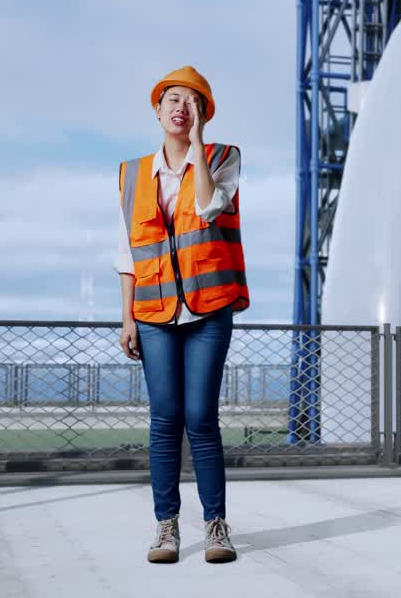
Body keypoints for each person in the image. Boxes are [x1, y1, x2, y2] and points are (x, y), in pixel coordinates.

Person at [114, 65, 250, 564]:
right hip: (154, 312)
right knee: (165, 419)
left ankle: (215, 526)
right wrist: (127, 318)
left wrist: (196, 146)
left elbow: (209, 206)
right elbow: (128, 250)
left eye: (192, 102)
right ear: (157, 109)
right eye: (173, 99)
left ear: (203, 114)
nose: (180, 107)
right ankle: (166, 527)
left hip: (208, 308)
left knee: (201, 418)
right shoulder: (132, 173)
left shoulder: (222, 158)